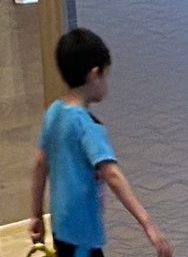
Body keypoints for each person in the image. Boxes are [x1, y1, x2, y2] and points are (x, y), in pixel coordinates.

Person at [30, 27, 172, 257]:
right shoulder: (87, 126)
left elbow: (39, 164)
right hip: (83, 234)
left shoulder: (54, 112)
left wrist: (36, 214)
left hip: (61, 227)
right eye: (106, 74)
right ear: (95, 74)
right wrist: (149, 224)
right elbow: (112, 174)